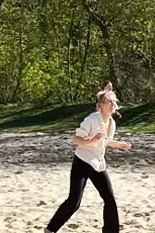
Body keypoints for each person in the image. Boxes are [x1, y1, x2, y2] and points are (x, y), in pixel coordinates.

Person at [45, 82, 132, 233]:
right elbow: (76, 140)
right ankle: (51, 230)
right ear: (101, 105)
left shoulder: (112, 123)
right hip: (82, 162)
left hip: (98, 164)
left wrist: (119, 144)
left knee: (110, 200)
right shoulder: (92, 119)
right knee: (74, 202)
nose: (113, 104)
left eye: (114, 102)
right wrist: (92, 140)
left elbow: (104, 141)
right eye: (109, 102)